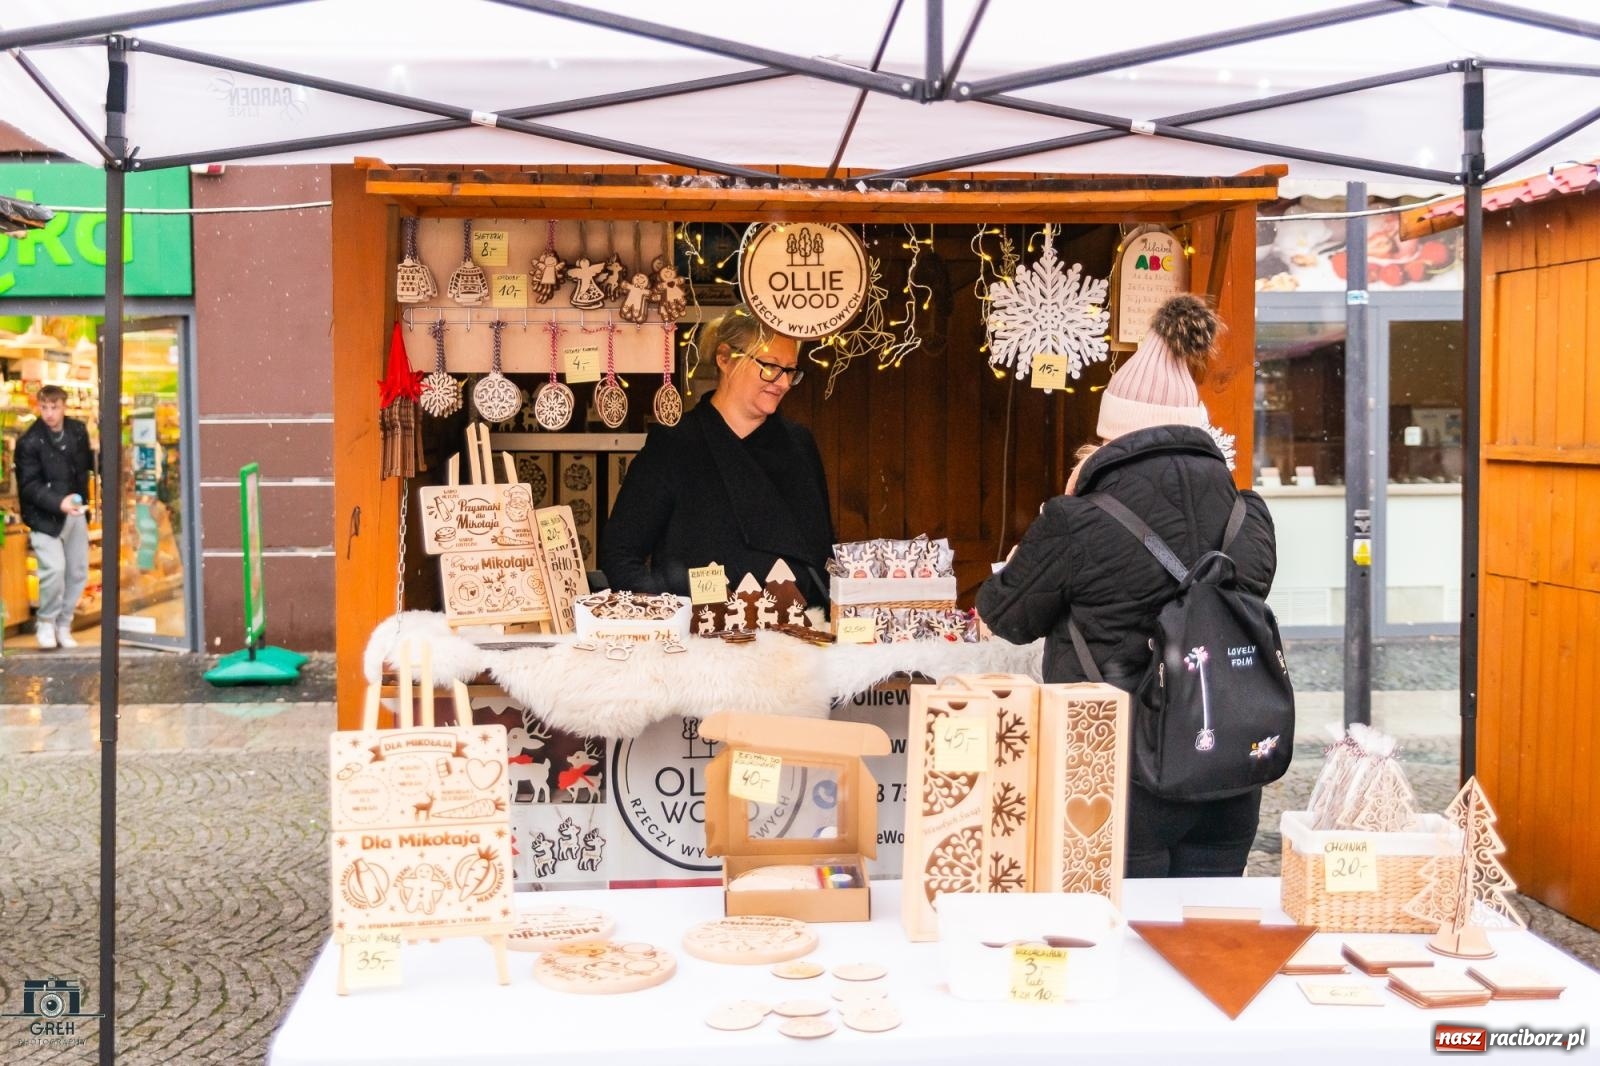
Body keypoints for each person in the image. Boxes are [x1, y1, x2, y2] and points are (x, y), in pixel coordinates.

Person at [976, 295, 1278, 878]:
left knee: (1119, 940)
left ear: (1113, 434)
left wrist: (1067, 500)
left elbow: (1004, 616)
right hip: (1230, 768)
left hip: (1116, 769)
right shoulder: (1251, 514)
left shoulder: (1078, 520)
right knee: (1205, 938)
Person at [601, 306, 835, 607]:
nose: (783, 383)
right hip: (698, 642)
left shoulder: (799, 444)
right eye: (770, 366)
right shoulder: (674, 445)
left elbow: (823, 551)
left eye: (790, 370)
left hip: (794, 637)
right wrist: (671, 610)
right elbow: (620, 554)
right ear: (725, 358)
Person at [14, 384, 94, 650]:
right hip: (44, 516)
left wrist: (84, 503)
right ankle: (46, 622)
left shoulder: (77, 432)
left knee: (77, 571)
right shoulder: (29, 441)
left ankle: (64, 623)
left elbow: (87, 468)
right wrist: (58, 502)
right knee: (54, 570)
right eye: (44, 407)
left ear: (64, 406)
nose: (49, 413)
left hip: (75, 510)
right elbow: (28, 485)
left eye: (54, 407)